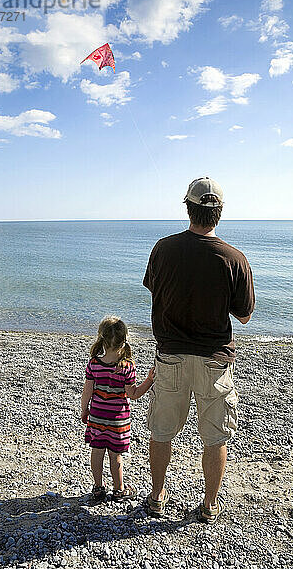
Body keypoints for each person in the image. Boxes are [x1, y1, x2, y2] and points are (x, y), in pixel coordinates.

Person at [143, 177, 255, 523]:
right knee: (215, 435)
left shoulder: (162, 248)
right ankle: (208, 505)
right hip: (213, 361)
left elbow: (155, 290)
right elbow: (245, 315)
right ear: (219, 213)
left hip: (171, 357)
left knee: (162, 431)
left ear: (188, 208)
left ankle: (158, 496)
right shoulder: (233, 258)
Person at [81, 316, 154, 502]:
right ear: (124, 340)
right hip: (118, 420)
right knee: (116, 457)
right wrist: (150, 380)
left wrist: (84, 410)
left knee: (97, 453)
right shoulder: (127, 367)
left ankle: (98, 488)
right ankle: (119, 490)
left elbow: (87, 392)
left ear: (102, 339)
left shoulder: (94, 364)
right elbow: (133, 394)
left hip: (97, 416)